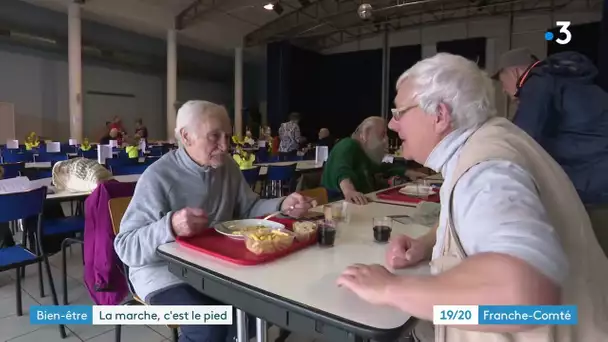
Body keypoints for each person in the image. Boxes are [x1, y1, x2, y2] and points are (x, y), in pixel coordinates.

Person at [337, 53, 608, 342]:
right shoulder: (495, 141)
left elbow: (528, 306)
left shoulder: (485, 172)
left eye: (399, 113)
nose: (393, 125)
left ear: (439, 116)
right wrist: (429, 243)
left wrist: (391, 289)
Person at [114, 100, 314, 342]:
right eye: (214, 136)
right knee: (209, 324)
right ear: (186, 136)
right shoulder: (157, 177)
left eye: (227, 136)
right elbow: (125, 246)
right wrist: (170, 226)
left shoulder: (227, 167)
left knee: (258, 311)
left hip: (216, 267)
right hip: (162, 273)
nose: (225, 146)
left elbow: (249, 208)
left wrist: (282, 206)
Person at [494, 48, 608, 255]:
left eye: (502, 81)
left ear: (515, 72)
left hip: (592, 184)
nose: (503, 90)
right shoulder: (569, 81)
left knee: (593, 257)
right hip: (599, 177)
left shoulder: (539, 83)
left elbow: (521, 140)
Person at [321, 117, 425, 204]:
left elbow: (384, 167)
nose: (386, 140)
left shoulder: (364, 155)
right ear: (365, 134)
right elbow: (340, 168)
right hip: (343, 207)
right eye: (382, 135)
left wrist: (407, 172)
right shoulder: (348, 144)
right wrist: (349, 190)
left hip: (361, 206)